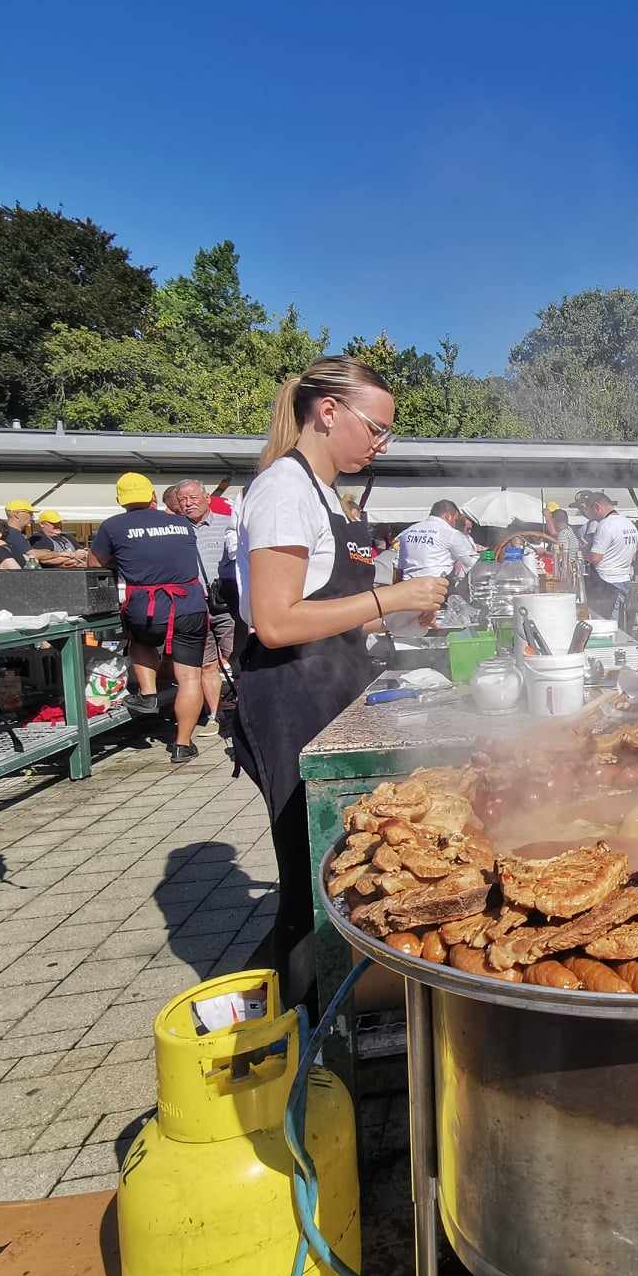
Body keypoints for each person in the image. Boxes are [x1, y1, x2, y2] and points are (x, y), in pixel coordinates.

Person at [233, 357, 447, 975]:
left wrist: (399, 618)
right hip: (289, 691)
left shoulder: (328, 494)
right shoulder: (282, 488)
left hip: (332, 677)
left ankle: (343, 993)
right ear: (328, 412)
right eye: (376, 427)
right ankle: (304, 1019)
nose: (381, 444)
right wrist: (392, 596)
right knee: (310, 867)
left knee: (349, 855)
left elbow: (330, 613)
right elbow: (275, 622)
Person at [89, 473, 207, 764]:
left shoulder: (112, 526)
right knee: (190, 676)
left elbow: (94, 566)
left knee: (140, 640)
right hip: (188, 605)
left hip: (146, 608)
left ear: (120, 500)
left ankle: (149, 693)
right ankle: (182, 744)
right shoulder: (182, 523)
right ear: (153, 496)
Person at [167, 479, 237, 735]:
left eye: (193, 497)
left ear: (207, 497)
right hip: (193, 605)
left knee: (235, 656)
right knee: (207, 663)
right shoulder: (173, 529)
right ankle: (217, 714)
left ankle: (244, 706)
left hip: (227, 601)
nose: (188, 503)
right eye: (183, 499)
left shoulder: (226, 522)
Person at [579, 492, 637, 620]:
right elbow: (633, 556)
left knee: (607, 623)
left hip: (607, 583)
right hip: (624, 579)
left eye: (591, 512)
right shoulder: (629, 524)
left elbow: (595, 558)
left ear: (597, 507)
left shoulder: (605, 525)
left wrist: (583, 553)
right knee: (620, 622)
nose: (592, 518)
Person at [397, 500, 478, 585]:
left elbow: (398, 565)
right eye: (455, 519)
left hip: (408, 588)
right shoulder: (451, 533)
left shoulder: (407, 532)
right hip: (435, 589)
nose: (455, 524)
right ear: (448, 516)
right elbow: (473, 562)